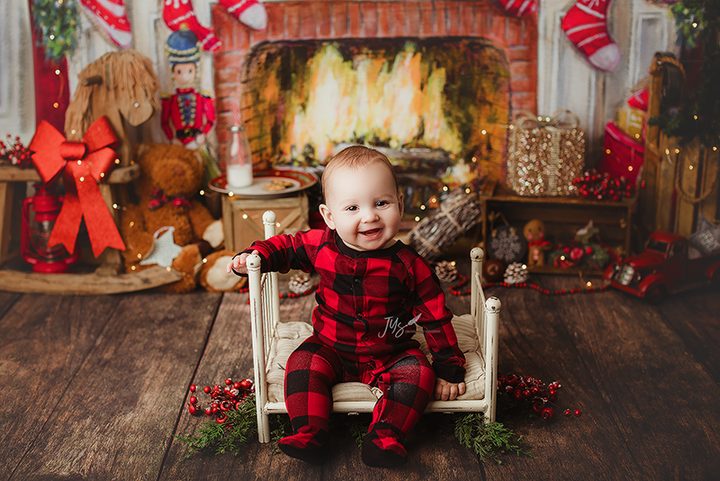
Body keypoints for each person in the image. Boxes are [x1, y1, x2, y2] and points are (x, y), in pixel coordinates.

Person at [227, 145, 466, 468]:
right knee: (301, 363)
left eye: (381, 203)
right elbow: (288, 247)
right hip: (330, 346)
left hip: (391, 350)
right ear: (329, 216)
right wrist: (256, 255)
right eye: (352, 207)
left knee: (418, 374)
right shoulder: (323, 245)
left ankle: (385, 435)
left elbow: (435, 316)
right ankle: (310, 432)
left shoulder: (409, 265)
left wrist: (449, 370)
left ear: (400, 204)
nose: (369, 216)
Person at [161, 28, 215, 149]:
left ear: (196, 70)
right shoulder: (169, 100)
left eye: (189, 71)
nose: (184, 76)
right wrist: (172, 138)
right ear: (173, 72)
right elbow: (164, 122)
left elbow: (211, 119)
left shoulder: (202, 97)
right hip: (179, 145)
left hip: (198, 143)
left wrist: (203, 133)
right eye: (179, 71)